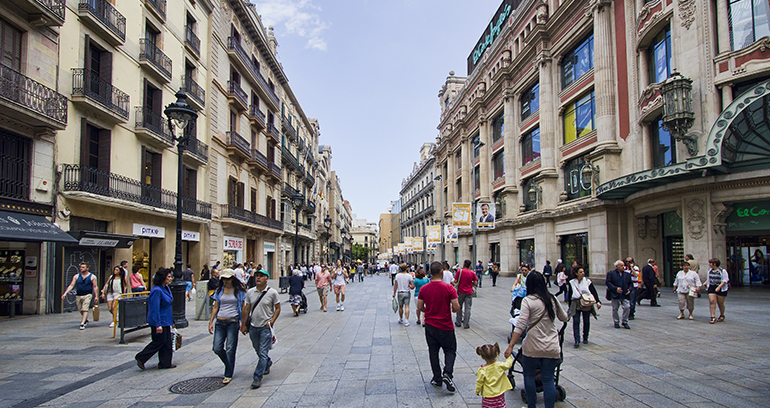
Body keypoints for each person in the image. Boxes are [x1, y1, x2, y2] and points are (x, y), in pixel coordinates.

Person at [504, 272, 569, 408]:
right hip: (551, 345)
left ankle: (532, 405)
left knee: (529, 376)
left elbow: (520, 325)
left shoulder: (528, 300)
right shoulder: (551, 299)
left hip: (532, 346)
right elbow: (564, 317)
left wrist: (511, 346)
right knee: (548, 379)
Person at [418, 262, 460, 393]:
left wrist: (428, 310)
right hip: (446, 326)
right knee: (450, 350)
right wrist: (452, 309)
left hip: (430, 326)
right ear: (442, 272)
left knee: (433, 351)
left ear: (430, 272)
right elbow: (456, 307)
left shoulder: (424, 288)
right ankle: (447, 374)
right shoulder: (449, 288)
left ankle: (437, 377)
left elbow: (419, 307)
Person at [241, 269, 280, 389]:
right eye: (257, 276)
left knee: (262, 352)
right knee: (257, 349)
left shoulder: (272, 293)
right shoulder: (250, 292)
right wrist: (243, 324)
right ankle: (267, 362)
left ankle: (257, 377)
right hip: (253, 326)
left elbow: (277, 308)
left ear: (266, 279)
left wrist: (272, 321)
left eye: (261, 276)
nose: (258, 278)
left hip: (265, 327)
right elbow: (246, 309)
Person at [208, 269, 246, 384]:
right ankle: (228, 364)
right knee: (217, 348)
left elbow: (243, 308)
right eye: (224, 278)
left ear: (233, 278)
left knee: (230, 349)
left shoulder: (239, 291)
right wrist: (210, 322)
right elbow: (215, 306)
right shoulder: (220, 290)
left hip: (233, 322)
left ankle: (228, 373)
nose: (226, 281)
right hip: (220, 321)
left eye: (228, 278)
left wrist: (243, 323)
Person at [135, 268, 175, 370]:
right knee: (159, 341)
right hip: (159, 320)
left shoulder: (166, 288)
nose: (171, 279)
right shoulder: (156, 290)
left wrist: (172, 321)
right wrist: (158, 324)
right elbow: (154, 308)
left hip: (166, 320)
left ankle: (165, 362)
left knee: (167, 343)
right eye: (169, 277)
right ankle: (141, 357)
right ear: (163, 278)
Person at [567, 267, 601, 347]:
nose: (583, 273)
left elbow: (593, 291)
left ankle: (585, 337)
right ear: (576, 273)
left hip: (586, 302)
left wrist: (598, 301)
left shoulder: (587, 281)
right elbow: (570, 294)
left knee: (586, 320)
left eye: (583, 271)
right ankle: (577, 340)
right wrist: (570, 306)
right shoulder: (572, 282)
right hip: (576, 302)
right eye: (580, 272)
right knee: (576, 321)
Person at [61, 262, 98, 330]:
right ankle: (85, 319)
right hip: (78, 294)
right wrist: (65, 293)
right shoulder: (76, 276)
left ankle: (82, 323)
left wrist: (96, 296)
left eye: (83, 267)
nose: (81, 268)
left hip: (88, 294)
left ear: (87, 268)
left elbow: (95, 286)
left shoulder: (92, 277)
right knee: (80, 309)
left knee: (85, 308)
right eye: (81, 267)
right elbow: (71, 285)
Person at [474, 343, 513, 407]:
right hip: (499, 394)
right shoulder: (499, 366)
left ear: (482, 357)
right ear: (496, 355)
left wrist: (477, 391)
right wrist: (509, 357)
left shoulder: (482, 370)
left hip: (488, 396)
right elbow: (508, 364)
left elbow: (479, 382)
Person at [606, 260, 632, 329]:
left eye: (623, 265)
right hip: (615, 294)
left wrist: (629, 289)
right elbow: (608, 282)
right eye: (621, 265)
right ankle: (616, 321)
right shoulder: (611, 273)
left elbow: (630, 283)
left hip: (624, 294)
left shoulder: (627, 274)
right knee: (615, 309)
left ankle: (625, 321)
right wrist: (615, 288)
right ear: (617, 266)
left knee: (627, 307)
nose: (623, 267)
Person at [452, 260, 478, 329]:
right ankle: (466, 324)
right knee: (468, 308)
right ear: (470, 265)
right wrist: (470, 286)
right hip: (469, 292)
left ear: (463, 264)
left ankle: (458, 322)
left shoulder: (459, 271)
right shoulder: (472, 273)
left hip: (460, 291)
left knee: (459, 306)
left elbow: (455, 280)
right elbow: (475, 283)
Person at [705, 258, 729, 324]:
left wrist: (719, 287)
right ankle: (713, 316)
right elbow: (709, 278)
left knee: (720, 303)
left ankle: (722, 314)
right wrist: (706, 283)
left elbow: (725, 280)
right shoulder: (710, 271)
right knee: (712, 301)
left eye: (710, 263)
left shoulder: (722, 271)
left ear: (714, 264)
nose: (709, 265)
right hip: (712, 286)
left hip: (721, 287)